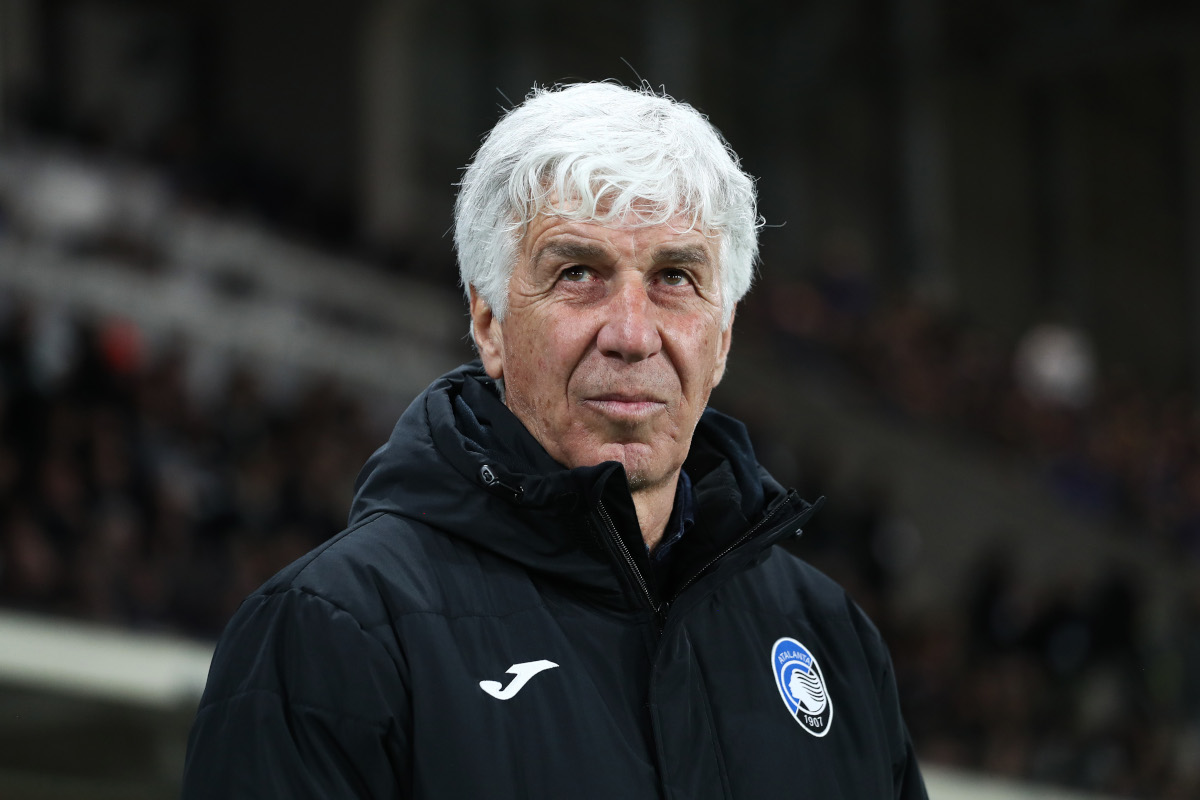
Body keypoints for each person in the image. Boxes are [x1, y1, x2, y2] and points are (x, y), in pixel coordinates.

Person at [182, 81, 927, 799]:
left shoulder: (834, 643)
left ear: (723, 336)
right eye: (578, 273)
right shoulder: (328, 632)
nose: (632, 334)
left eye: (674, 277)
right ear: (488, 324)